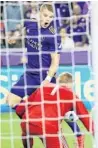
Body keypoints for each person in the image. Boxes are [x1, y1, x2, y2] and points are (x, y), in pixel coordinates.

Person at [16, 72, 94, 148]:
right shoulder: (72, 95)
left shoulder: (44, 87)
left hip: (27, 123)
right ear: (69, 84)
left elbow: (20, 109)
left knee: (27, 132)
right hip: (48, 128)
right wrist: (95, 133)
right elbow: (85, 118)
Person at [6, 3, 61, 108]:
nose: (48, 19)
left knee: (61, 111)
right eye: (45, 15)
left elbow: (55, 61)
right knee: (11, 100)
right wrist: (16, 37)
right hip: (30, 75)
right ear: (39, 14)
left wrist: (48, 79)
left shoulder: (52, 35)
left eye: (51, 17)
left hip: (45, 76)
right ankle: (33, 119)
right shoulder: (31, 23)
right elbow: (24, 30)